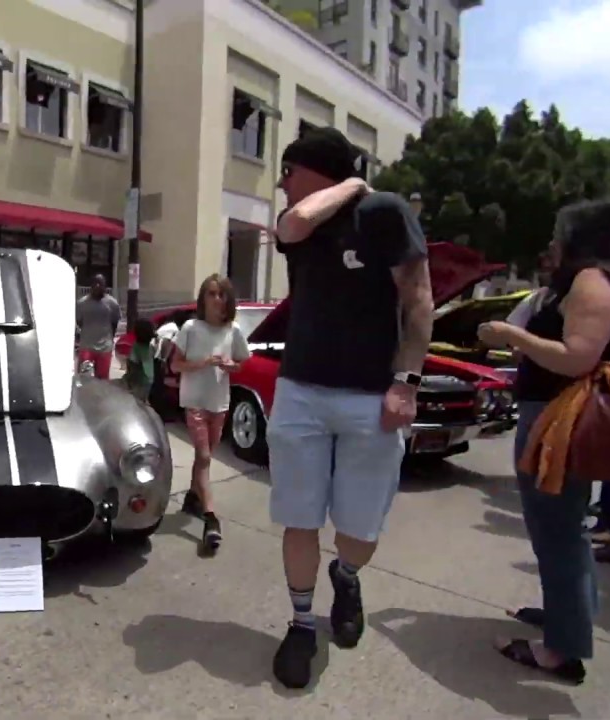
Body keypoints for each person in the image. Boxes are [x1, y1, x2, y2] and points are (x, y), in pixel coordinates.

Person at [265, 127, 433, 689]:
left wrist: (406, 382)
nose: (281, 184)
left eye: (288, 172)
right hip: (302, 392)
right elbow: (290, 224)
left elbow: (418, 300)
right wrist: (351, 183)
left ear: (315, 170)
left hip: (372, 397)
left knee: (359, 530)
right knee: (299, 516)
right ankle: (300, 622)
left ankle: (347, 574)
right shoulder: (306, 222)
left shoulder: (383, 213)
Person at [477, 199, 610, 683]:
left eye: (560, 230)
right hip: (556, 419)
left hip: (558, 421)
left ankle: (561, 651)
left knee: (556, 534)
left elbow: (576, 358)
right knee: (564, 528)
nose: (553, 240)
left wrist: (513, 334)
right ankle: (567, 618)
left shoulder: (592, 281)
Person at [171, 274, 249, 553]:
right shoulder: (191, 328)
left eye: (222, 295)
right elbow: (175, 365)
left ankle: (193, 497)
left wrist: (230, 366)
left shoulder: (233, 331)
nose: (217, 300)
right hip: (195, 402)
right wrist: (203, 362)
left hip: (220, 403)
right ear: (203, 298)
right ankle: (211, 519)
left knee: (202, 460)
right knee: (204, 458)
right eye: (212, 294)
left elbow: (241, 362)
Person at [76, 274, 121, 379]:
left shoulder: (112, 303)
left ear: (105, 286)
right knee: (83, 378)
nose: (97, 286)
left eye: (100, 283)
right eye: (94, 283)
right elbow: (79, 322)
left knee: (102, 381)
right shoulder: (82, 303)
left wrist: (109, 338)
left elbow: (115, 323)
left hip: (105, 348)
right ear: (90, 286)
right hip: (87, 347)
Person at [123, 318, 156, 402]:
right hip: (141, 382)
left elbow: (145, 371)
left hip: (138, 382)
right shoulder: (148, 347)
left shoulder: (138, 347)